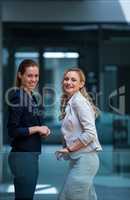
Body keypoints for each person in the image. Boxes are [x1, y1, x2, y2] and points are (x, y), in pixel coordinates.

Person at [56, 68, 102, 200]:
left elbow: (90, 133)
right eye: (66, 79)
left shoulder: (79, 102)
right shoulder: (71, 102)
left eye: (73, 80)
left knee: (67, 197)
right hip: (79, 159)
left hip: (86, 160)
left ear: (81, 84)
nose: (68, 82)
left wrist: (69, 148)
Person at [7, 59, 50, 200]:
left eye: (36, 76)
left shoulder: (31, 97)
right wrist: (37, 128)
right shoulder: (18, 97)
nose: (34, 80)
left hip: (29, 156)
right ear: (20, 75)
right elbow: (13, 131)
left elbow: (30, 125)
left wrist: (42, 131)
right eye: (29, 76)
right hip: (22, 157)